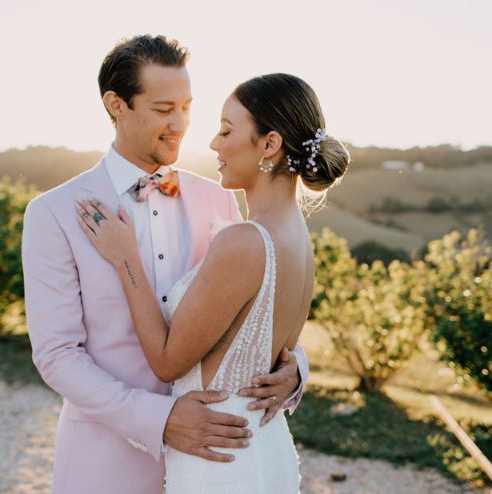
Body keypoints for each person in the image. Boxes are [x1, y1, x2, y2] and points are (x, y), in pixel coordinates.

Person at [21, 35, 308, 494]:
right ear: (116, 105)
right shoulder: (54, 213)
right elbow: (57, 355)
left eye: (187, 107)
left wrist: (296, 372)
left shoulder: (218, 199)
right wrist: (161, 420)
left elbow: (256, 306)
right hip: (106, 461)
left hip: (215, 461)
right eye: (162, 109)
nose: (180, 125)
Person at [77, 72, 350, 492]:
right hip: (265, 446)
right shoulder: (298, 239)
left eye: (226, 130)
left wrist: (125, 257)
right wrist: (297, 373)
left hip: (221, 457)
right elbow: (276, 350)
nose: (212, 144)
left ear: (270, 144)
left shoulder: (244, 240)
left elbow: (169, 362)